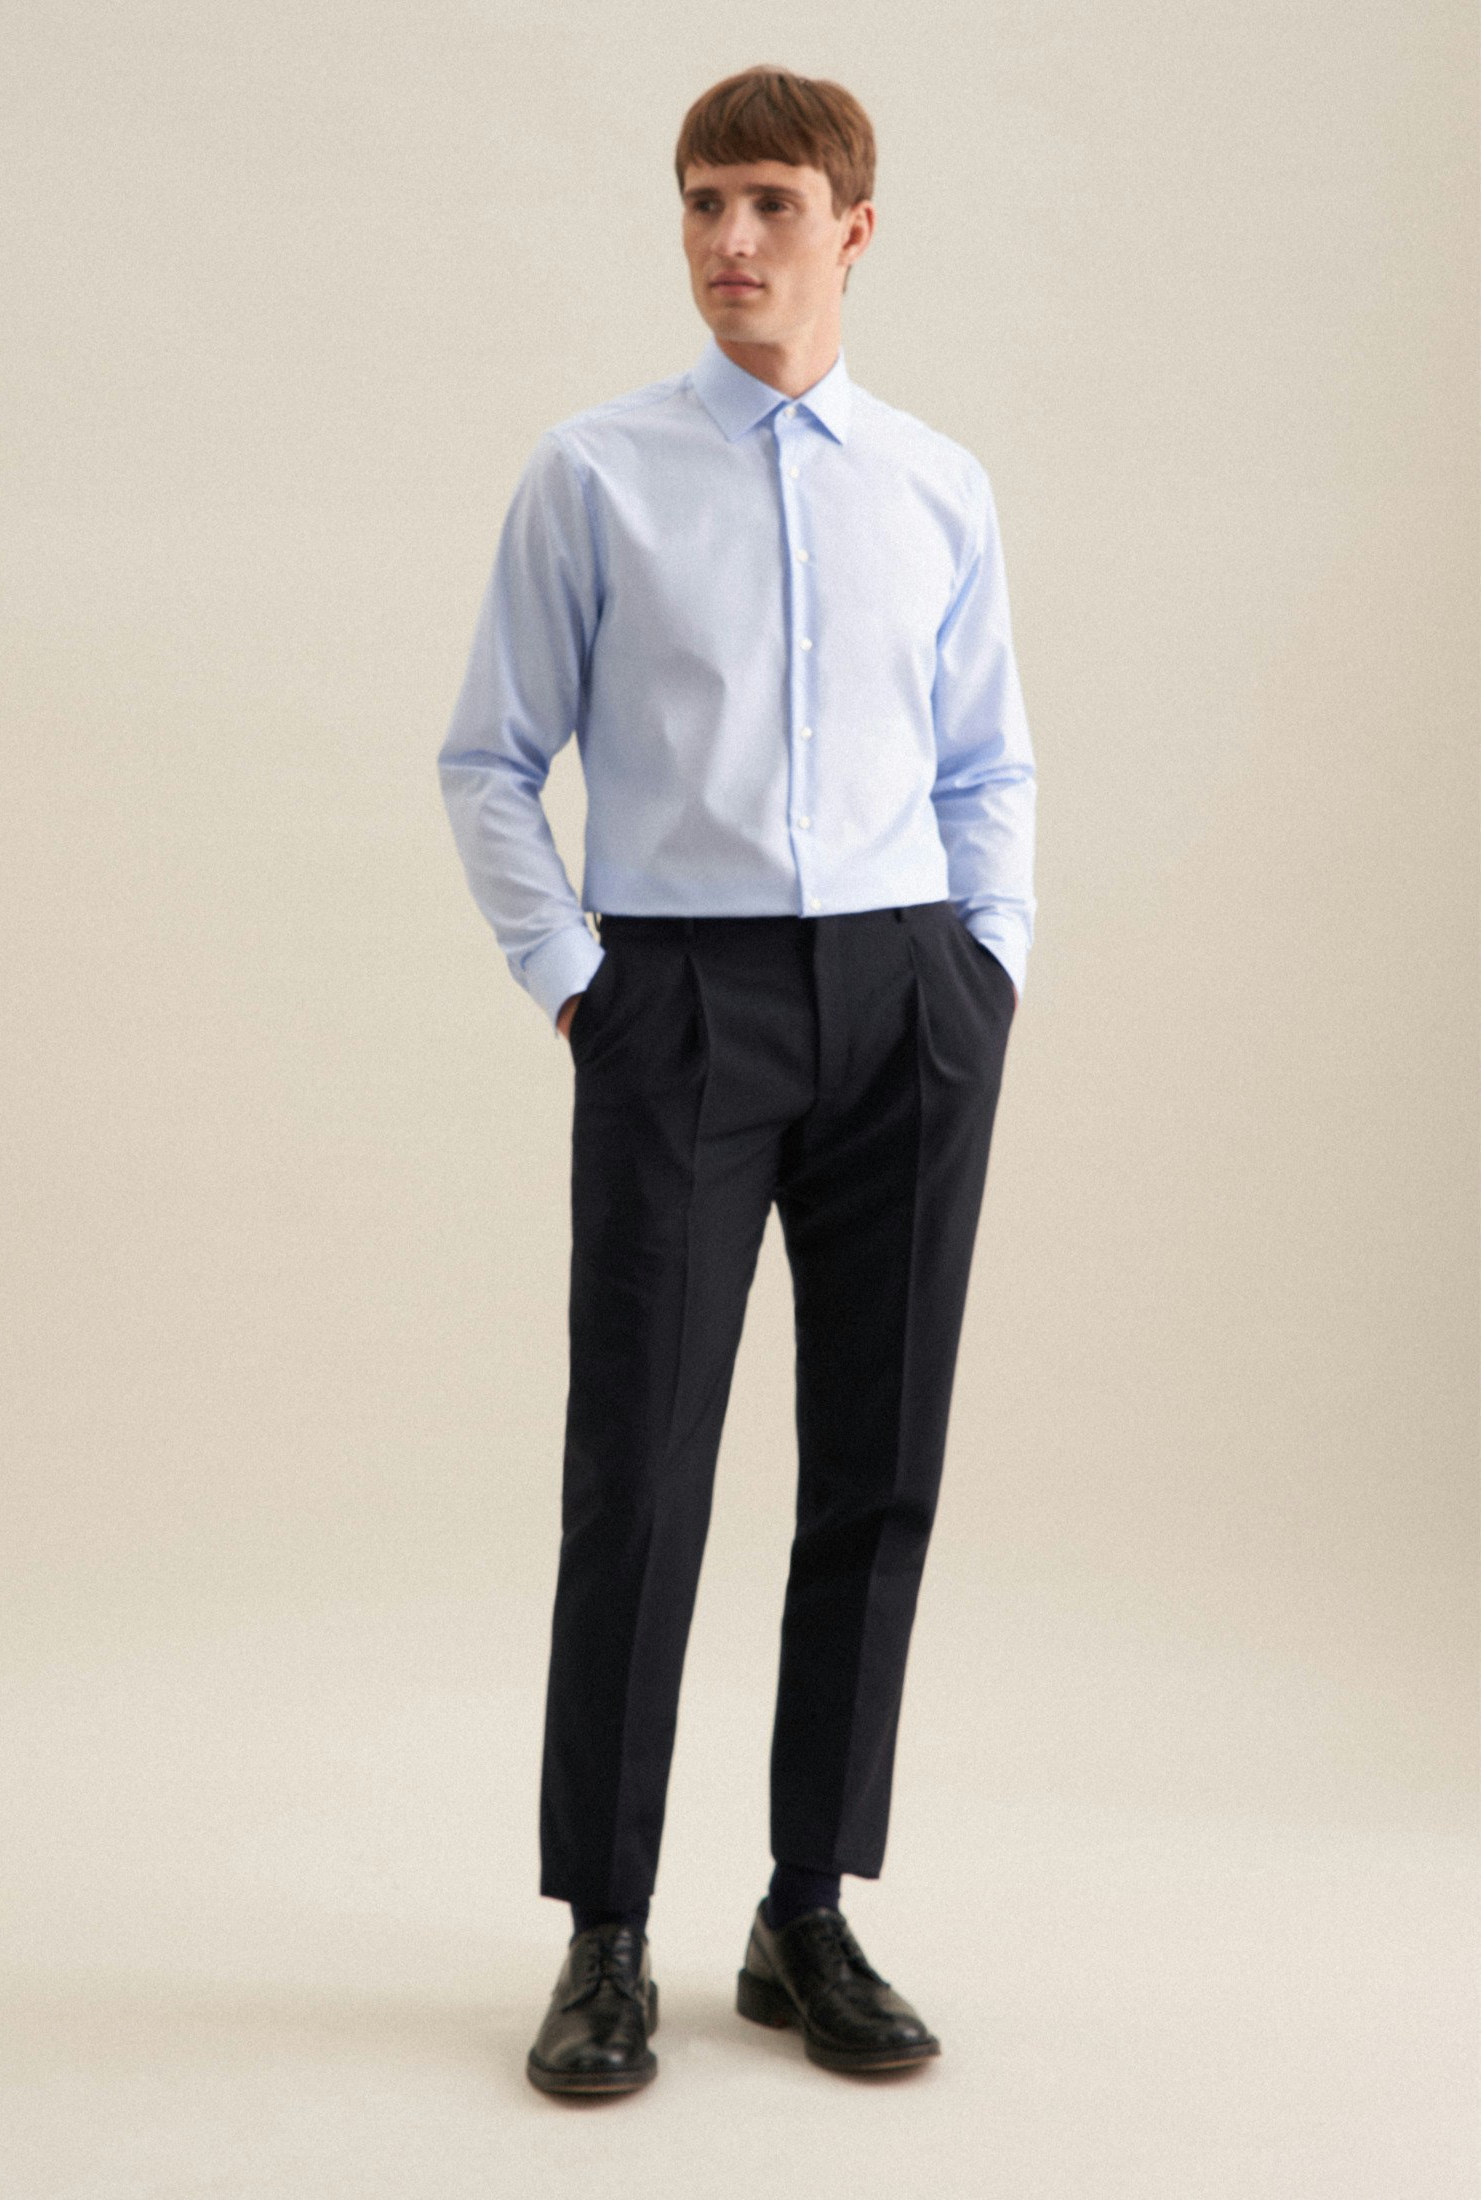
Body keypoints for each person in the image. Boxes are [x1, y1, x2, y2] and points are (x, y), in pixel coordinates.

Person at [437, 63, 1036, 2097]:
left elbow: (990, 762)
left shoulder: (936, 486)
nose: (729, 241)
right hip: (677, 1005)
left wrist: (983, 973)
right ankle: (605, 1932)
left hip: (903, 999)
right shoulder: (594, 475)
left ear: (853, 230)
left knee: (877, 1469)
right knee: (642, 1469)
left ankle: (805, 1910)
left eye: (770, 203)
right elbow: (487, 757)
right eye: (703, 201)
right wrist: (582, 989)